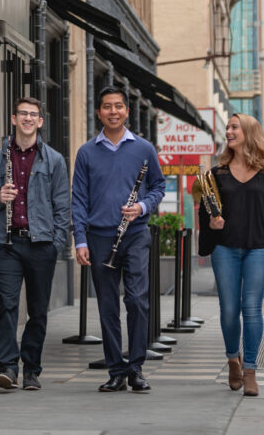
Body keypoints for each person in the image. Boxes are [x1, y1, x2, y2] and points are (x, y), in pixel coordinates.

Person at [71, 85, 165, 393]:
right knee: (108, 306)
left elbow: (158, 187)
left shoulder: (143, 148)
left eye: (119, 106)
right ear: (98, 112)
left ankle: (135, 367)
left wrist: (141, 206)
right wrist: (81, 240)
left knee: (137, 300)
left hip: (135, 234)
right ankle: (115, 369)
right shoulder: (86, 152)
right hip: (99, 238)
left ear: (126, 111)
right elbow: (78, 200)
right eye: (107, 107)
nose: (113, 111)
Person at [0, 97, 70, 392]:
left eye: (34, 114)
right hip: (6, 243)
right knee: (7, 305)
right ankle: (8, 367)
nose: (28, 118)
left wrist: (57, 243)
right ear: (14, 119)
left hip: (42, 244)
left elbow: (62, 206)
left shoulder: (54, 160)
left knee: (39, 310)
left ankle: (31, 369)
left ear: (40, 121)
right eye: (23, 114)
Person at [198, 113, 264, 398]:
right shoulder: (217, 173)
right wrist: (212, 223)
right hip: (225, 248)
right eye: (227, 127)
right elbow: (206, 212)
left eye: (234, 127)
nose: (228, 131)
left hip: (259, 248)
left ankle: (250, 370)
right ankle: (232, 358)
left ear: (249, 131)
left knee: (251, 308)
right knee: (228, 309)